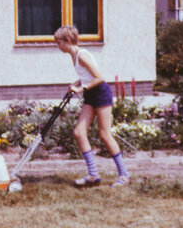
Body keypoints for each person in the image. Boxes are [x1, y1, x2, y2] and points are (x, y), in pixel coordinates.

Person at [54, 25, 130, 187]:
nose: (57, 46)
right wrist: (75, 83)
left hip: (101, 94)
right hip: (90, 94)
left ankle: (124, 175)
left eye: (58, 42)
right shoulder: (73, 56)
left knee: (105, 135)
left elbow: (100, 77)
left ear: (67, 41)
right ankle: (93, 175)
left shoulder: (82, 55)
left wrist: (80, 89)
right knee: (79, 132)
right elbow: (86, 76)